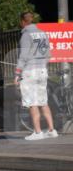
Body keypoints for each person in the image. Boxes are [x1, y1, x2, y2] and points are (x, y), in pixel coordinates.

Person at [15, 11, 57, 140]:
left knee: (32, 102)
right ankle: (51, 130)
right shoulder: (43, 33)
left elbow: (24, 56)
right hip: (42, 70)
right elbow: (48, 54)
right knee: (43, 101)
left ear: (23, 21)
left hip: (30, 71)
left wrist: (17, 73)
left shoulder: (26, 35)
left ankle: (38, 132)